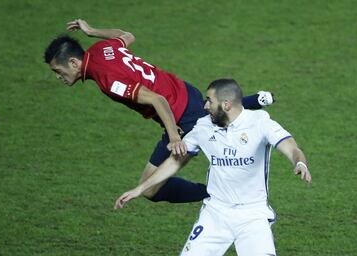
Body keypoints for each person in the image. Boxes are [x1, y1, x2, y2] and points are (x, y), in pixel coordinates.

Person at [45, 19, 275, 203]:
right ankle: (254, 100)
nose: (57, 76)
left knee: (150, 188)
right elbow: (127, 36)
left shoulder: (107, 80)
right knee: (209, 117)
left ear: (74, 63)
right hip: (185, 91)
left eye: (58, 70)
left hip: (179, 115)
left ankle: (213, 195)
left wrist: (175, 137)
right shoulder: (102, 49)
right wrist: (92, 31)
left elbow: (157, 99)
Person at [115, 78, 312, 255]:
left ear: (226, 104)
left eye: (210, 100)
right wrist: (140, 189)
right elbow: (175, 161)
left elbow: (291, 148)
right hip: (216, 213)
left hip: (253, 215)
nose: (205, 106)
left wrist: (300, 162)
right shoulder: (203, 127)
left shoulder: (260, 122)